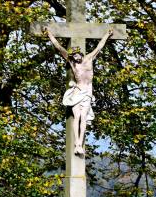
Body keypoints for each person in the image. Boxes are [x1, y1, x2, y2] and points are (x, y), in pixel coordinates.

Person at [46, 27, 113, 156]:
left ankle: (79, 143)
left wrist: (106, 35)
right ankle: (76, 143)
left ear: (81, 54)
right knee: (77, 117)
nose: (76, 58)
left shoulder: (89, 58)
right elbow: (59, 47)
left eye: (77, 55)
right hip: (77, 92)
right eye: (73, 56)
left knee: (83, 117)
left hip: (87, 93)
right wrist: (49, 34)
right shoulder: (72, 63)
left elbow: (99, 46)